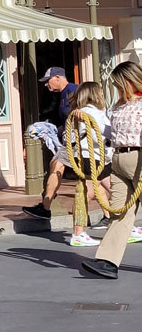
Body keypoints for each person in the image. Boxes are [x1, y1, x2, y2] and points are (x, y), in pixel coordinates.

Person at [82, 61, 142, 279]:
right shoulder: (118, 106)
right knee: (119, 212)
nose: (116, 88)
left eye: (118, 84)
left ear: (129, 81)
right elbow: (111, 131)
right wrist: (88, 120)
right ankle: (108, 261)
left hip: (138, 159)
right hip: (118, 159)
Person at [59, 82, 115, 247]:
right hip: (93, 157)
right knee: (86, 192)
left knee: (114, 189)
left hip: (93, 157)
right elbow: (107, 132)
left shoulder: (79, 113)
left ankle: (120, 225)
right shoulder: (91, 113)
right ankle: (78, 233)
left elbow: (67, 138)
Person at [24, 67, 78, 220]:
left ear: (58, 78)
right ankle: (111, 213)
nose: (46, 85)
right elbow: (66, 121)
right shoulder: (62, 95)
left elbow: (80, 114)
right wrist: (52, 131)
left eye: (48, 81)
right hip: (70, 138)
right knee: (96, 178)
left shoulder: (72, 90)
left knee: (56, 166)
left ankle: (45, 208)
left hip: (76, 140)